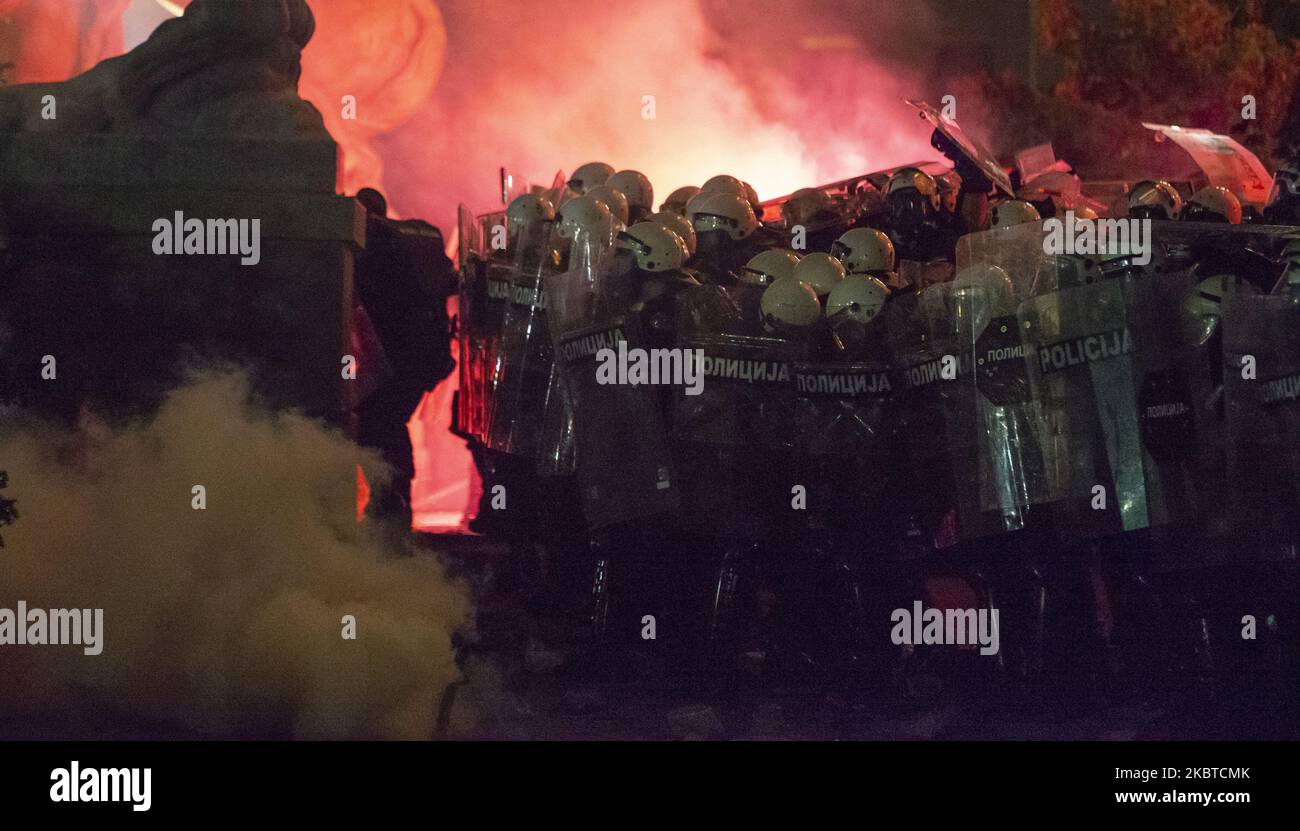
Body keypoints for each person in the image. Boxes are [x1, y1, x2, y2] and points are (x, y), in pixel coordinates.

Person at [352, 187, 457, 530]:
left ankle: (389, 510)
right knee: (390, 423)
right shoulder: (417, 241)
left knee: (378, 425)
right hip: (427, 356)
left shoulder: (372, 243)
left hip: (393, 358)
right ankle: (393, 504)